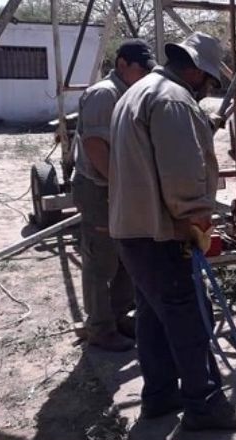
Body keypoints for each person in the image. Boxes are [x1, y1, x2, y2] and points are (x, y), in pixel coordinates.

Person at [108, 32, 236, 429]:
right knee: (191, 317)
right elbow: (180, 174)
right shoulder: (173, 100)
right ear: (193, 70)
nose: (207, 89)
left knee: (155, 318)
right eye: (207, 81)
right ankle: (204, 404)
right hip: (161, 234)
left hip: (133, 231)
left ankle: (160, 394)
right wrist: (195, 219)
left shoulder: (139, 92)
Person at [72, 39, 155, 352]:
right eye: (140, 69)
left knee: (124, 258)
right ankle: (100, 328)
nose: (145, 75)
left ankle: (119, 317)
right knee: (100, 261)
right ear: (122, 64)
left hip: (117, 189)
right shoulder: (104, 94)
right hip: (100, 190)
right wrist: (121, 187)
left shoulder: (128, 93)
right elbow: (95, 146)